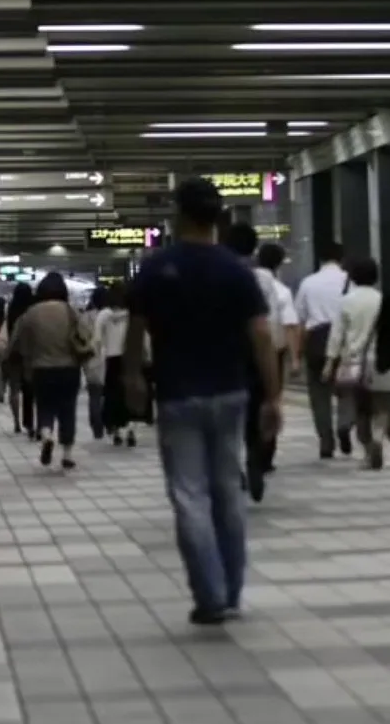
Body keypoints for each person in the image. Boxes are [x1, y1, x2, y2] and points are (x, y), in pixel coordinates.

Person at [124, 177, 281, 625]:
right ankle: (231, 591)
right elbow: (261, 336)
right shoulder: (236, 270)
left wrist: (134, 377)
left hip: (177, 394)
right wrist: (272, 396)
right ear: (219, 217)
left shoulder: (157, 268)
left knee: (190, 495)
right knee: (226, 492)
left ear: (179, 214)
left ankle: (209, 596)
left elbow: (136, 330)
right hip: (231, 391)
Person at [225, 223, 281, 502]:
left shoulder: (219, 272)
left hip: (227, 353)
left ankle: (235, 466)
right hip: (257, 351)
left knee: (230, 414)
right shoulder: (265, 278)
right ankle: (256, 462)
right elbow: (266, 321)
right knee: (258, 408)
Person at [8, 272, 85, 471]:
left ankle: (47, 435)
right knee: (68, 410)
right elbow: (85, 337)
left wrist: (21, 360)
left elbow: (17, 341)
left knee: (45, 407)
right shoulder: (70, 310)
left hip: (41, 369)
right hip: (69, 369)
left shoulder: (30, 313)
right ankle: (67, 454)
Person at [322, 258, 388, 470]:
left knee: (361, 409)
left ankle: (369, 451)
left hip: (355, 362)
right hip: (381, 361)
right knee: (382, 408)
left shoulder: (346, 301)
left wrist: (330, 363)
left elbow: (337, 335)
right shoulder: (382, 299)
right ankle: (378, 436)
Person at [295, 242, 353, 459]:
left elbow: (300, 321)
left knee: (319, 395)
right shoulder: (349, 281)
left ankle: (325, 440)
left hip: (316, 342)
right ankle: (345, 423)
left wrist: (297, 354)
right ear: (342, 259)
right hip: (345, 343)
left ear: (320, 259)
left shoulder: (308, 283)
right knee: (347, 387)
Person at [257, 242, 300, 469]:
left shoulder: (247, 282)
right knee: (272, 398)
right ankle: (266, 452)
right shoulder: (282, 291)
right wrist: (294, 359)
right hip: (274, 352)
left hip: (247, 353)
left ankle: (252, 448)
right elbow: (290, 325)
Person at [95, 281, 137, 447]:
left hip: (112, 359)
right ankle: (131, 429)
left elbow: (97, 339)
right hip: (131, 359)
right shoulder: (134, 312)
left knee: (113, 396)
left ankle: (117, 431)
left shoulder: (104, 314)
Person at [6, 283, 35, 435]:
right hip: (30, 353)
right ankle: (30, 422)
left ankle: (17, 422)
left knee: (14, 389)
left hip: (14, 352)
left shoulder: (11, 309)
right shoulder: (33, 311)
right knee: (30, 388)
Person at [84, 286, 108, 439]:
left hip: (92, 359)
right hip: (110, 358)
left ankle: (96, 427)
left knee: (94, 395)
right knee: (110, 393)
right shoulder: (111, 316)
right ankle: (110, 423)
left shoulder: (86, 317)